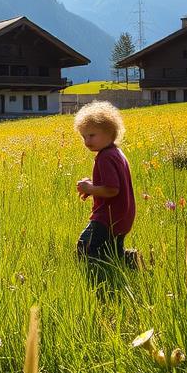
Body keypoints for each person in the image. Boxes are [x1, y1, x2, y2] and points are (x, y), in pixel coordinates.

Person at [73, 101, 136, 267]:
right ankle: (133, 263)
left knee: (85, 246)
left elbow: (112, 190)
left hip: (108, 216)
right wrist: (92, 188)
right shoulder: (116, 153)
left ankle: (94, 273)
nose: (86, 141)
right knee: (113, 250)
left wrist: (90, 188)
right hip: (123, 214)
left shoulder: (105, 157)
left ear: (110, 133)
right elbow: (112, 185)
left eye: (91, 135)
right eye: (83, 136)